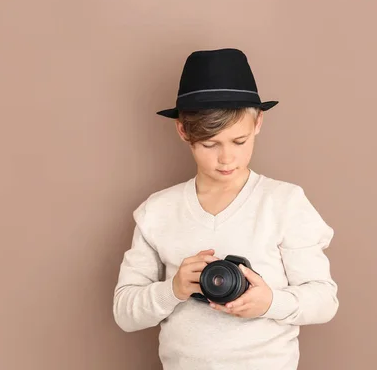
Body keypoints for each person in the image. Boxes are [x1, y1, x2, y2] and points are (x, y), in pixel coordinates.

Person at [112, 49, 339, 370]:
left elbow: (325, 301)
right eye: (210, 144)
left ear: (259, 122)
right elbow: (124, 312)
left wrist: (268, 302)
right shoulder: (157, 211)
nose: (226, 159)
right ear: (183, 131)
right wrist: (174, 289)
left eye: (239, 141)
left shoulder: (284, 203)